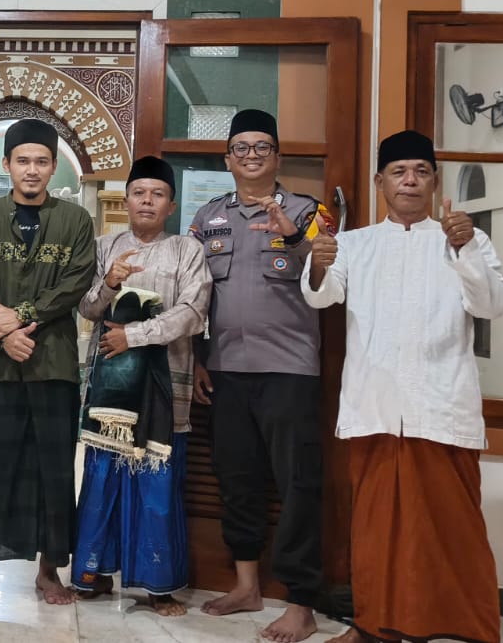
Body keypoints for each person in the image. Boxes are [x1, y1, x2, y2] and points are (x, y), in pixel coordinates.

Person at [303, 130, 503, 643]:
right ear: (380, 182)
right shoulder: (356, 243)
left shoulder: (467, 240)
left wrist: (464, 248)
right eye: (399, 172)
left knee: (453, 528)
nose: (410, 181)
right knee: (375, 531)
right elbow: (321, 296)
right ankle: (372, 627)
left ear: (435, 181)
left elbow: (492, 305)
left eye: (420, 171)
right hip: (375, 406)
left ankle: (464, 628)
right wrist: (318, 263)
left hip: (441, 407)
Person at [190, 108, 326, 642]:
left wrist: (293, 238)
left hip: (289, 369)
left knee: (298, 484)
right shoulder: (207, 217)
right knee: (237, 479)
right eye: (241, 148)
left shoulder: (308, 211)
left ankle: (301, 601)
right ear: (227, 160)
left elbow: (330, 276)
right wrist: (198, 357)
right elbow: (193, 294)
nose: (251, 155)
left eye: (262, 146)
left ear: (277, 156)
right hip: (225, 368)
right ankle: (246, 585)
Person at [0, 118, 97, 605]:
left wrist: (22, 317)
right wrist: (4, 334)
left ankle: (49, 570)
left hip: (52, 364)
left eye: (41, 161)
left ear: (54, 167)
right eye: (22, 161)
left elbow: (77, 281)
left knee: (52, 469)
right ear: (7, 164)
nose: (31, 170)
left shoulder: (75, 221)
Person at [71, 155, 210, 615]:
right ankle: (92, 574)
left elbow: (193, 312)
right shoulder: (104, 246)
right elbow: (87, 308)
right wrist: (109, 284)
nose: (147, 201)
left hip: (166, 387)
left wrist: (133, 335)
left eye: (157, 194)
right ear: (126, 200)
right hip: (111, 393)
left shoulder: (187, 251)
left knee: (157, 483)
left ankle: (158, 586)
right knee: (101, 479)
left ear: (171, 205)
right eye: (139, 193)